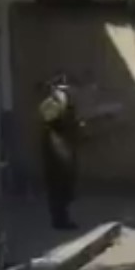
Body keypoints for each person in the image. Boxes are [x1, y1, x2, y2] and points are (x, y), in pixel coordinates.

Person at [39, 74, 81, 230]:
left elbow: (71, 124)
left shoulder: (67, 104)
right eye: (62, 88)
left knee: (66, 186)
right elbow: (51, 119)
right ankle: (59, 220)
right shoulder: (50, 104)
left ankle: (63, 217)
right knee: (57, 187)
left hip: (65, 149)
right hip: (55, 150)